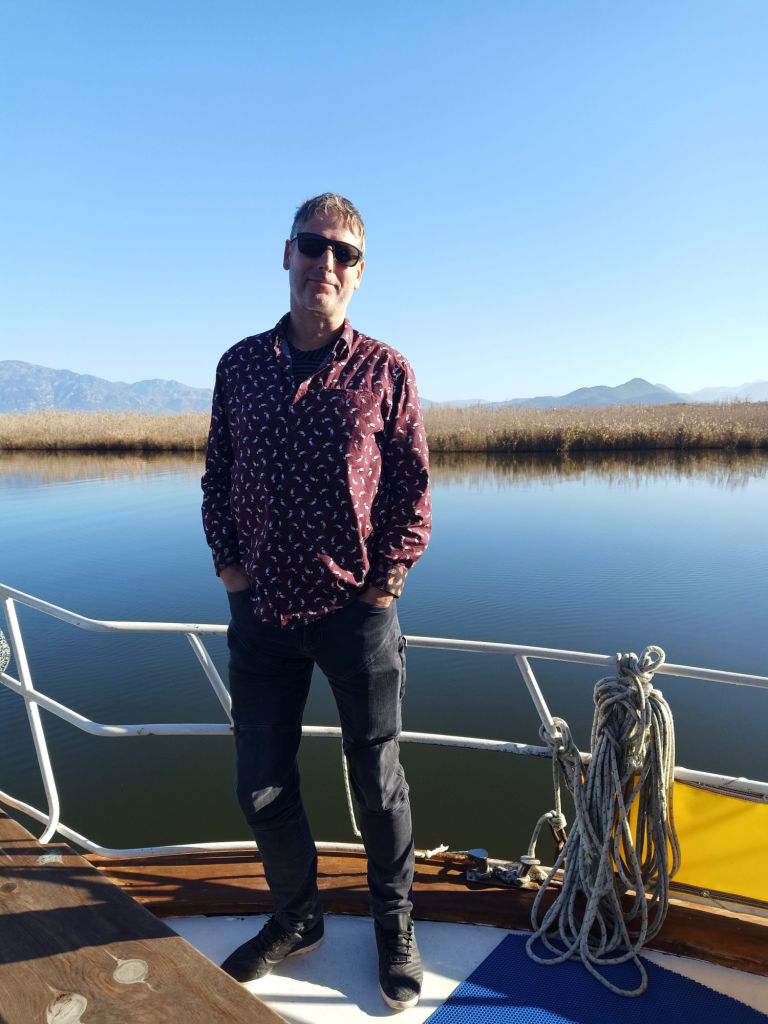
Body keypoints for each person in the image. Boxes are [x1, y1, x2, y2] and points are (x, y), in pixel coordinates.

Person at [201, 193, 431, 1010]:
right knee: (261, 783)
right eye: (312, 245)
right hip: (261, 614)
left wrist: (385, 583)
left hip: (354, 616)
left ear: (359, 273)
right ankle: (298, 918)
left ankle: (394, 924)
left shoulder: (386, 370)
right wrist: (231, 570)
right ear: (287, 255)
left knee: (379, 781)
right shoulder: (239, 367)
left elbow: (411, 493)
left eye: (344, 253)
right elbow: (218, 477)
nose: (325, 263)